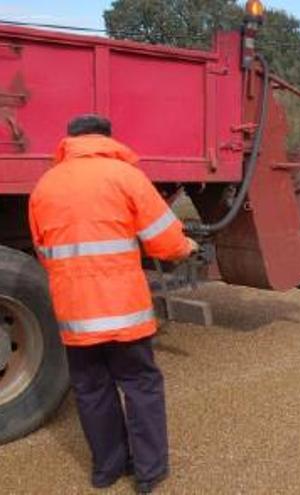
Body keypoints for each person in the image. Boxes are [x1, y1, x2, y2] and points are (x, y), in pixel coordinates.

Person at [28, 114, 198, 493]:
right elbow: (165, 243)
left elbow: (44, 251)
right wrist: (187, 246)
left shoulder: (45, 186)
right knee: (140, 385)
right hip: (124, 313)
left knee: (91, 389)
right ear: (108, 139)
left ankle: (106, 470)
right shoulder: (126, 177)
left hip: (76, 315)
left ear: (69, 141)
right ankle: (149, 472)